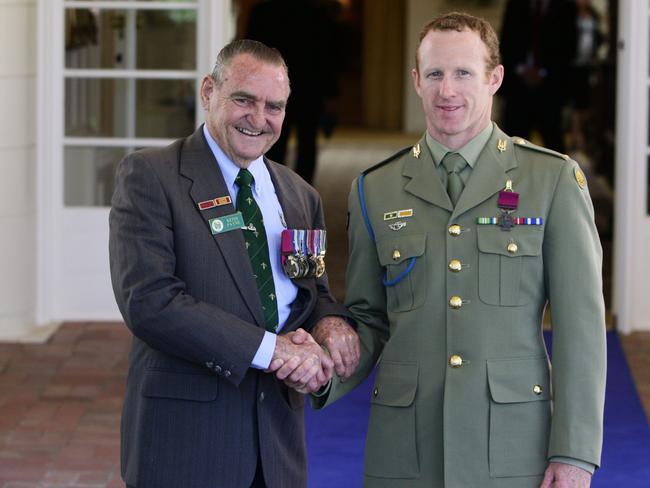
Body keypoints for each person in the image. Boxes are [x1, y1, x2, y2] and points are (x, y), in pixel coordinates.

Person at [311, 12, 606, 488]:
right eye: (434, 74)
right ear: (416, 81)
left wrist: (574, 453)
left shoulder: (551, 180)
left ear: (495, 78)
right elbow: (370, 317)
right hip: (404, 448)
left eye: (463, 73)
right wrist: (324, 367)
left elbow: (582, 329)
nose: (447, 90)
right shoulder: (375, 188)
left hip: (512, 443)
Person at [109, 39, 359, 488]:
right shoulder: (151, 176)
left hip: (277, 445)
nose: (258, 119)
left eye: (274, 107)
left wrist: (329, 325)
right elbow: (149, 302)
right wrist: (272, 349)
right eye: (244, 99)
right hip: (187, 443)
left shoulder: (301, 196)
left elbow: (311, 292)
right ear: (209, 91)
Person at [246, 0, 342, 184]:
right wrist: (332, 94)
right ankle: (301, 191)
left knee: (272, 142)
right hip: (308, 88)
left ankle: (270, 187)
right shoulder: (318, 13)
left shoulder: (262, 12)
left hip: (272, 89)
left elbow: (251, 57)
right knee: (306, 143)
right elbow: (328, 59)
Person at [499, 0, 577, 153]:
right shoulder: (516, 4)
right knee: (513, 143)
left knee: (553, 141)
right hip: (518, 86)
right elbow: (506, 40)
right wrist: (522, 70)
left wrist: (542, 73)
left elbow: (569, 47)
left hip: (551, 86)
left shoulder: (566, 5)